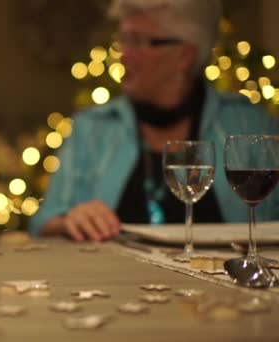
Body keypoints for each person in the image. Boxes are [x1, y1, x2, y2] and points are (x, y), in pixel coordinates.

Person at [29, 0, 279, 242]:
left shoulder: (249, 124)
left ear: (184, 56)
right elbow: (42, 223)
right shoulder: (93, 127)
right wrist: (70, 221)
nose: (123, 55)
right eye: (123, 40)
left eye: (137, 41)